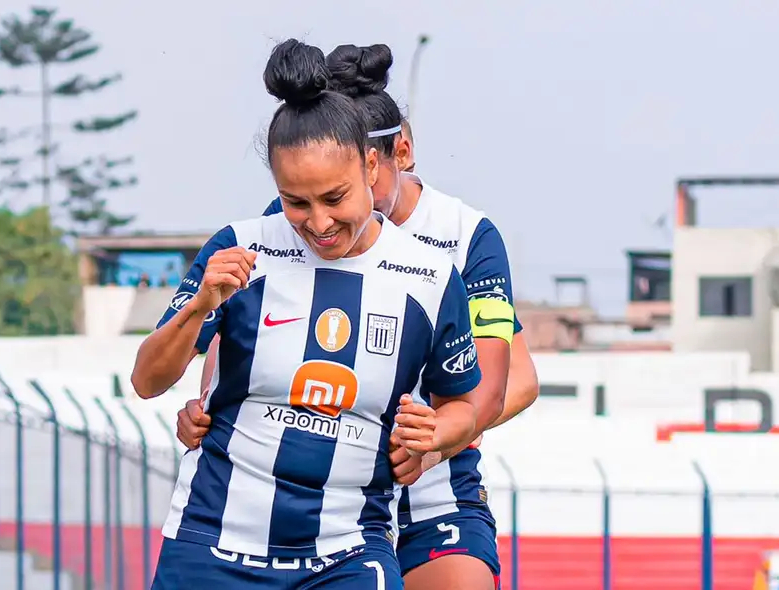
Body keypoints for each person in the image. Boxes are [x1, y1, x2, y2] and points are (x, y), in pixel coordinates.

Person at [179, 43, 540, 590]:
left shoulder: (467, 237)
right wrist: (206, 409)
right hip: (318, 499)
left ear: (394, 154)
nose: (323, 216)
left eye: (352, 182)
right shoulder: (301, 218)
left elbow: (508, 384)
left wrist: (438, 435)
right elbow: (244, 342)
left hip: (427, 483)